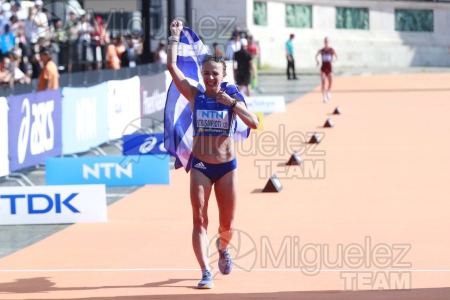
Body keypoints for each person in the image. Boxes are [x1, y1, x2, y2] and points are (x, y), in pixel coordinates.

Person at [166, 19, 259, 289]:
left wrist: (231, 104)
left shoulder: (232, 95)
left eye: (214, 74)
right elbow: (172, 67)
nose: (209, 77)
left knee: (226, 224)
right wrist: (173, 37)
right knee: (199, 219)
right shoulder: (196, 95)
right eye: (205, 73)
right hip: (201, 168)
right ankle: (205, 272)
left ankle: (223, 249)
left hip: (227, 167)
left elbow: (253, 122)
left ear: (222, 75)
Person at [315, 37, 337, 102]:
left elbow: (336, 57)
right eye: (325, 42)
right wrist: (317, 61)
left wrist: (333, 60)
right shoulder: (322, 50)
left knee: (331, 81)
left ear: (329, 42)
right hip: (323, 67)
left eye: (327, 42)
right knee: (323, 81)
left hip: (329, 67)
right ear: (324, 42)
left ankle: (328, 91)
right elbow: (316, 56)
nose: (326, 43)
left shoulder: (331, 50)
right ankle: (324, 96)